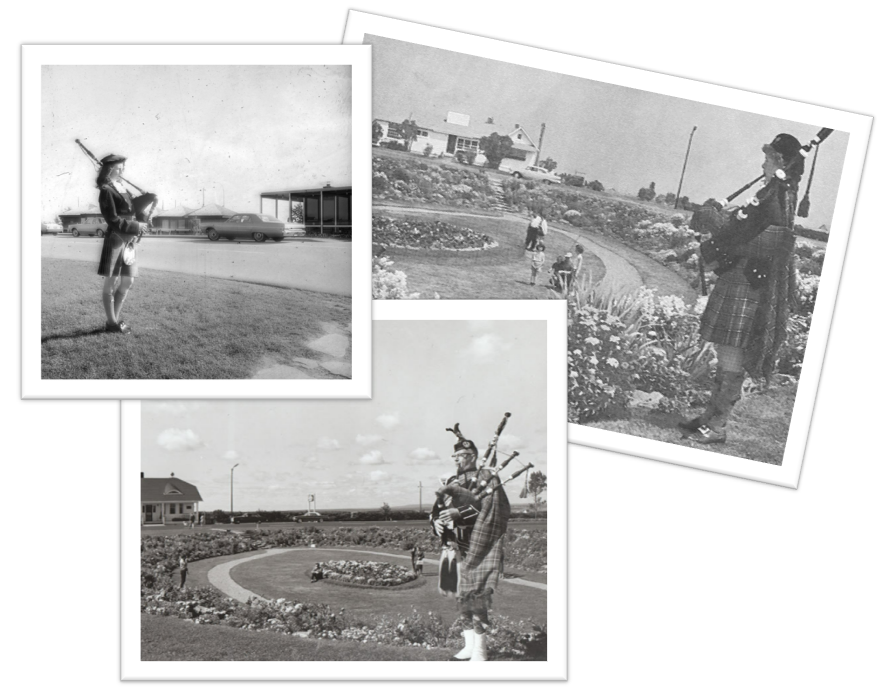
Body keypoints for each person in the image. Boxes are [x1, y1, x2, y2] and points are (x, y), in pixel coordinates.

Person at [679, 134, 804, 445]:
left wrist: (714, 221)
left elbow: (753, 241)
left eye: (769, 157)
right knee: (725, 354)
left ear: (780, 163)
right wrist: (722, 223)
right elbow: (743, 230)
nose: (763, 162)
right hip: (741, 279)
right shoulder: (774, 194)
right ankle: (709, 417)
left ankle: (718, 426)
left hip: (748, 284)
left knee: (732, 356)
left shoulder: (775, 200)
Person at [429, 424, 510, 662]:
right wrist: (435, 522)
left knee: (477, 598)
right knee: (460, 597)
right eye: (455, 456)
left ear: (473, 456)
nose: (457, 460)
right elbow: (437, 509)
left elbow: (492, 508)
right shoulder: (453, 480)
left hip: (477, 546)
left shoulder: (487, 477)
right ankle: (468, 646)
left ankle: (480, 650)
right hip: (453, 547)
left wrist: (459, 514)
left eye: (462, 456)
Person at [95, 154, 156, 334]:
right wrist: (138, 225)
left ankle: (113, 321)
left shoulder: (122, 188)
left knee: (127, 282)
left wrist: (148, 198)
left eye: (123, 167)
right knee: (111, 283)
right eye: (120, 167)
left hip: (129, 240)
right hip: (115, 239)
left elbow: (132, 209)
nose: (123, 170)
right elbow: (113, 219)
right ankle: (112, 322)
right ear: (110, 168)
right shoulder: (106, 190)